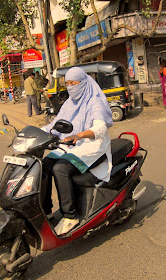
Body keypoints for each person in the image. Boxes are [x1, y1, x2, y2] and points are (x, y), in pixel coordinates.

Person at [41, 67, 113, 235]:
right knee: (44, 164)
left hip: (92, 144)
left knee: (60, 168)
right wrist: (36, 133)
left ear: (83, 83)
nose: (70, 87)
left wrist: (80, 135)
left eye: (74, 83)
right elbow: (56, 124)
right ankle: (46, 210)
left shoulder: (94, 101)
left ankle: (70, 216)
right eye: (67, 84)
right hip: (72, 142)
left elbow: (100, 128)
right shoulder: (69, 103)